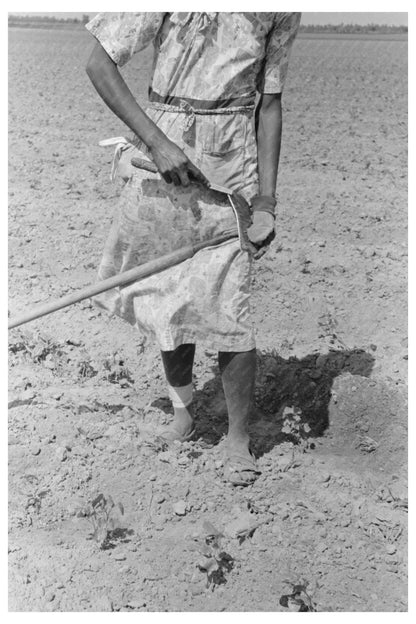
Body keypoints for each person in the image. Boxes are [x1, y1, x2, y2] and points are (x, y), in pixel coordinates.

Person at [85, 12, 301, 486]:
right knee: (167, 297)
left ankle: (237, 438)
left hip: (231, 170)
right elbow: (99, 63)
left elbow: (269, 105)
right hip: (160, 160)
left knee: (231, 305)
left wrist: (266, 200)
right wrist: (158, 145)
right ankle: (183, 414)